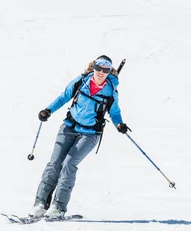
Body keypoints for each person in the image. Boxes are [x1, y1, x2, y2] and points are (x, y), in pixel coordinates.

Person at [28, 55, 130, 219]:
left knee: (69, 164)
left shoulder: (110, 90)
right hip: (68, 128)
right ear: (94, 67)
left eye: (106, 69)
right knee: (54, 164)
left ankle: (58, 207)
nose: (101, 72)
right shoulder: (81, 81)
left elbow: (115, 112)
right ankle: (40, 204)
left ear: (109, 71)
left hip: (89, 135)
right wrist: (48, 110)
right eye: (98, 67)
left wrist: (119, 124)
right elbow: (63, 97)